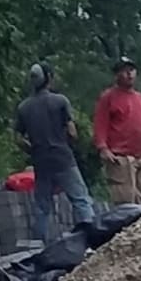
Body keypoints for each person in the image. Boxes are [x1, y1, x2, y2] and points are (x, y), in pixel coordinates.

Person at [13, 63, 94, 238]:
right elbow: (72, 132)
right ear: (49, 77)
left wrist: (33, 150)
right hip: (63, 158)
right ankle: (92, 238)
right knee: (80, 200)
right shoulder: (60, 101)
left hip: (41, 163)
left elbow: (18, 139)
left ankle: (39, 246)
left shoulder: (24, 107)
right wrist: (67, 143)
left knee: (42, 207)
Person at [93, 58, 141, 207]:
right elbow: (100, 124)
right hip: (121, 156)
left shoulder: (140, 98)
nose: (129, 74)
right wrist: (103, 148)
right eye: (125, 70)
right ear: (117, 74)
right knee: (125, 200)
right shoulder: (108, 97)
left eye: (132, 70)